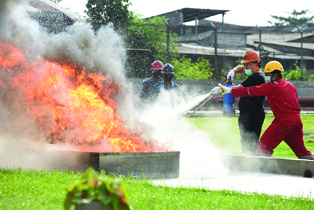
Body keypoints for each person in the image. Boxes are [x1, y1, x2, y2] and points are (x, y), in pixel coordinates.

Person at [219, 61, 313, 159]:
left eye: (268, 75)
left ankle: (263, 170)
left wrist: (229, 90)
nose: (266, 77)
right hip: (297, 121)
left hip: (283, 121)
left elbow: (251, 90)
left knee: (263, 146)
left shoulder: (272, 86)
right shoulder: (290, 85)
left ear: (275, 74)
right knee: (301, 151)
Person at [225, 50, 266, 155]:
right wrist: (233, 71)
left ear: (256, 65)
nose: (245, 67)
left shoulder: (257, 78)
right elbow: (240, 68)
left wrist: (223, 89)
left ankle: (251, 165)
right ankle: (249, 163)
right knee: (246, 141)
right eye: (245, 64)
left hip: (253, 115)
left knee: (250, 142)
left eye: (248, 65)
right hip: (248, 114)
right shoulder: (253, 73)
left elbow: (238, 90)